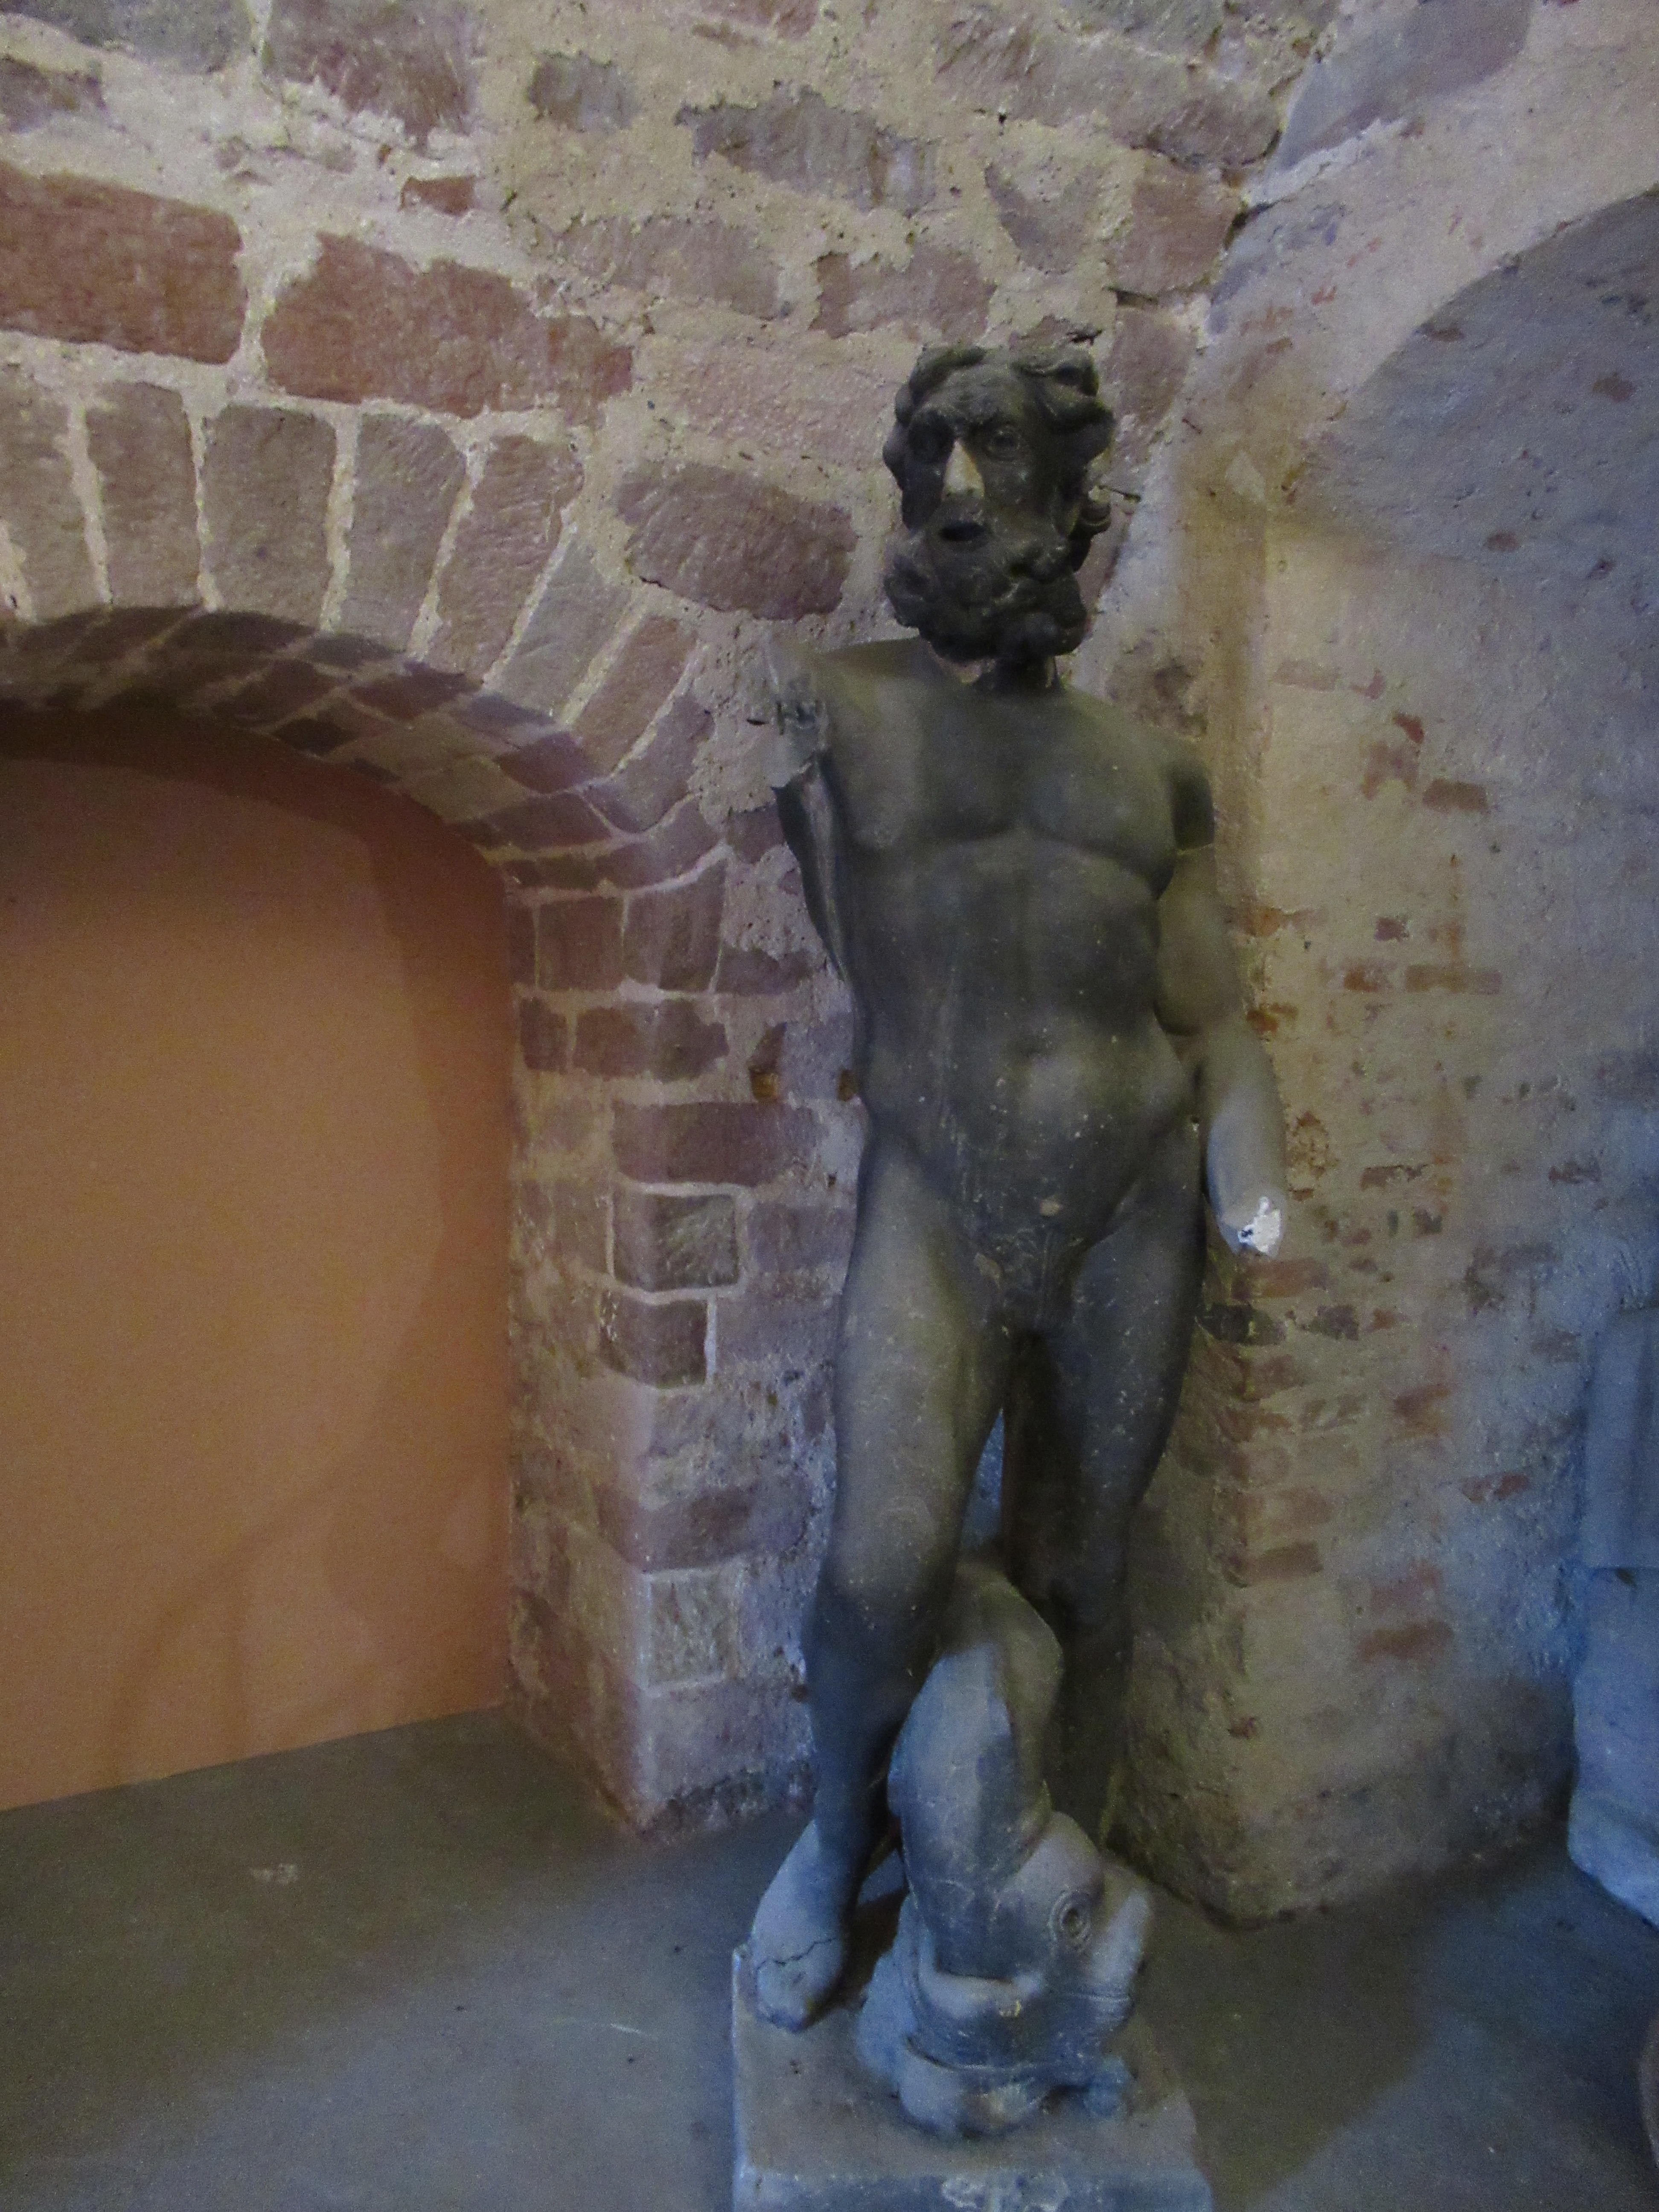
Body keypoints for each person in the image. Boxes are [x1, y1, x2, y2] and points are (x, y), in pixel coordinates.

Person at [750, 343, 1287, 2029]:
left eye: (992, 449)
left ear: (1068, 486)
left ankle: (1060, 1876)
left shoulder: (1154, 770)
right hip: (940, 1191)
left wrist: (1254, 1176)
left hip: (1132, 1197)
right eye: (931, 457)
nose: (961, 492)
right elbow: (844, 930)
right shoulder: (837, 707)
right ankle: (836, 1837)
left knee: (1086, 1566)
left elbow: (1212, 1012)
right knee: (885, 1562)